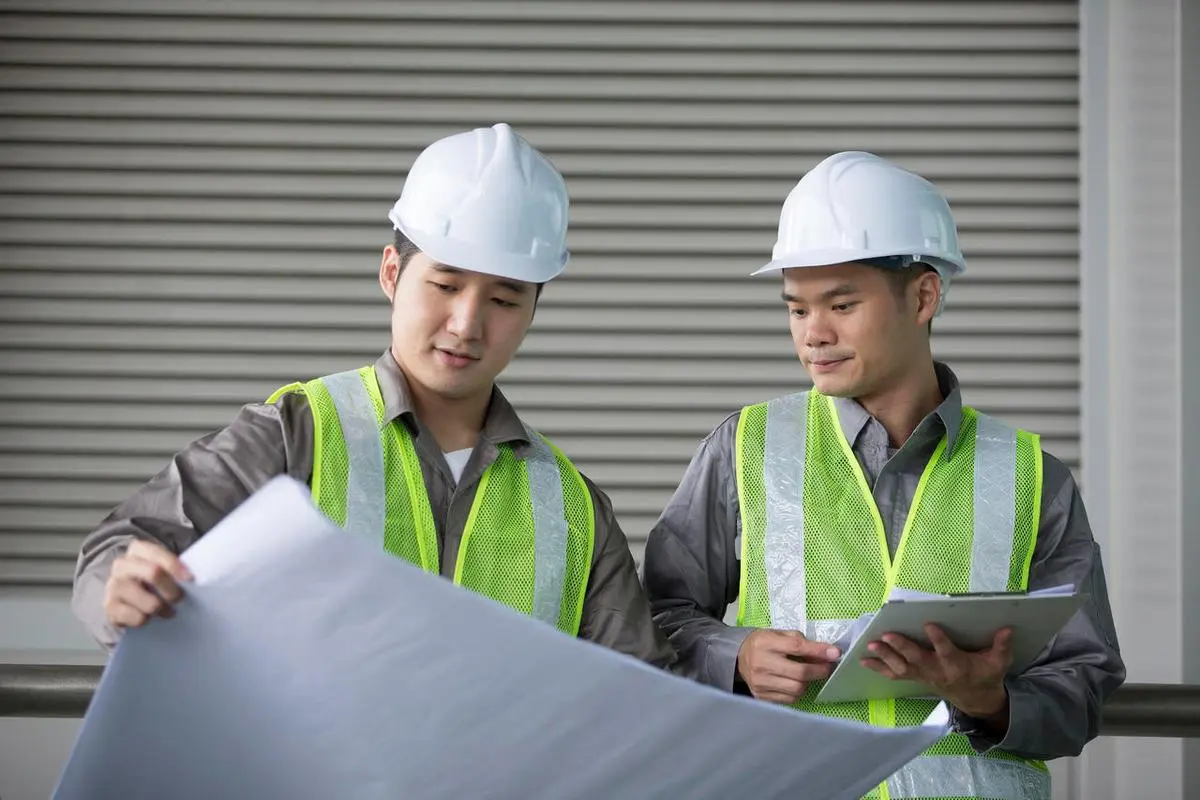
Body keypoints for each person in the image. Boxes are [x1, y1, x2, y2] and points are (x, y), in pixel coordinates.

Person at [72, 123, 674, 670]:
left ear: (533, 311)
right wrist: (120, 587)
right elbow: (120, 545)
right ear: (392, 273)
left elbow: (638, 697)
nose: (467, 324)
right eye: (445, 283)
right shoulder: (295, 436)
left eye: (504, 298)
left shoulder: (573, 509)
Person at [642, 151, 1123, 798]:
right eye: (796, 309)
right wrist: (737, 657)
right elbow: (655, 620)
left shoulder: (1033, 478)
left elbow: (1084, 684)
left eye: (841, 304)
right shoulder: (744, 450)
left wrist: (992, 702)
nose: (813, 334)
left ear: (923, 296)